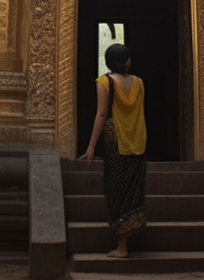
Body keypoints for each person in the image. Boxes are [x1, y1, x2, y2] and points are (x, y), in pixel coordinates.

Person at [79, 43, 147, 258]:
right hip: (137, 140)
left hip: (115, 140)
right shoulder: (139, 82)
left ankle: (122, 247)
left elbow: (101, 114)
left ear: (109, 61)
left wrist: (90, 147)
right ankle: (126, 241)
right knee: (132, 191)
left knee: (116, 189)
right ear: (127, 61)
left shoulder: (104, 82)